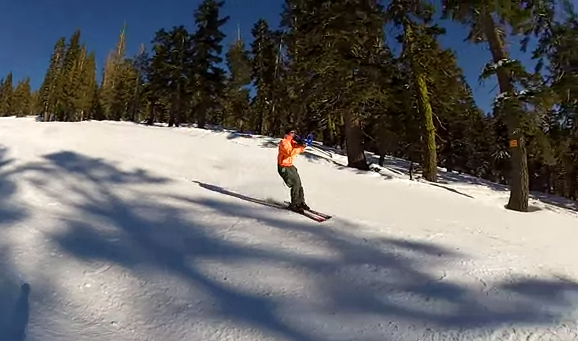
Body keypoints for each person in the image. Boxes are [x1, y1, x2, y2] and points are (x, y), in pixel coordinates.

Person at [277, 129, 309, 212]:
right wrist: (299, 147)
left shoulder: (292, 142)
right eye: (292, 132)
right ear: (287, 133)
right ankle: (294, 204)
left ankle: (301, 202)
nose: (293, 134)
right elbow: (289, 153)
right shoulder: (284, 142)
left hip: (290, 166)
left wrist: (302, 144)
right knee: (295, 184)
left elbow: (300, 149)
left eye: (294, 133)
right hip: (283, 167)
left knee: (299, 183)